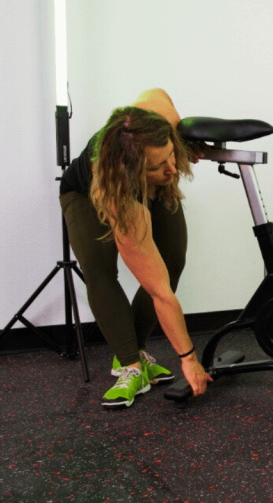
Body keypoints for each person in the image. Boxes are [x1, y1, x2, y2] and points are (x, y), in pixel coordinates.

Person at [58, 88, 212, 409]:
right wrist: (189, 359)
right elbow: (158, 291)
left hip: (140, 176)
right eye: (160, 165)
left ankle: (137, 351)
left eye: (171, 155)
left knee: (172, 261)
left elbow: (158, 92)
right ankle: (130, 365)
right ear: (133, 170)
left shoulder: (156, 116)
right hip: (84, 194)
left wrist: (180, 142)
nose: (172, 169)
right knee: (100, 270)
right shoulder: (118, 194)